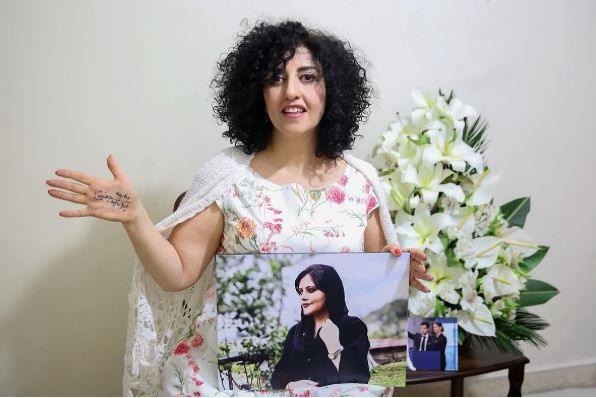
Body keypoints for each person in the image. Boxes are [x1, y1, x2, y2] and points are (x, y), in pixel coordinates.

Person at [45, 19, 433, 396]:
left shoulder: (361, 180)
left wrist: (399, 269)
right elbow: (177, 274)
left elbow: (379, 268)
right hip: (223, 381)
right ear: (257, 92)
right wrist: (135, 218)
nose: (291, 92)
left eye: (308, 77)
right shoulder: (227, 174)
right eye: (275, 78)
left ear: (332, 88)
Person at [270, 264, 370, 389]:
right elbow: (278, 375)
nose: (303, 297)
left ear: (330, 291)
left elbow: (361, 377)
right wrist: (290, 385)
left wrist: (334, 345)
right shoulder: (295, 332)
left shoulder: (352, 327)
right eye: (301, 292)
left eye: (310, 290)